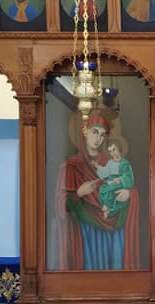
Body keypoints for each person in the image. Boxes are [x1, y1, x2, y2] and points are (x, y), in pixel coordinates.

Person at [55, 110, 140, 269]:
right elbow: (60, 205)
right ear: (84, 131)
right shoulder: (71, 167)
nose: (98, 139)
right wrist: (79, 193)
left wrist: (129, 194)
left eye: (102, 135)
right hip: (87, 233)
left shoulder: (113, 162)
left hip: (114, 232)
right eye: (94, 132)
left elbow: (130, 187)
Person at [96, 138, 134, 219]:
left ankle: (109, 209)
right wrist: (97, 167)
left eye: (114, 149)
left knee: (111, 192)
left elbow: (128, 176)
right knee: (103, 189)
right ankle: (106, 205)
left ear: (119, 148)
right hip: (111, 181)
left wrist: (119, 179)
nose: (112, 153)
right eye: (110, 151)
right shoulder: (110, 162)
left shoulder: (124, 163)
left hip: (119, 183)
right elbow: (106, 172)